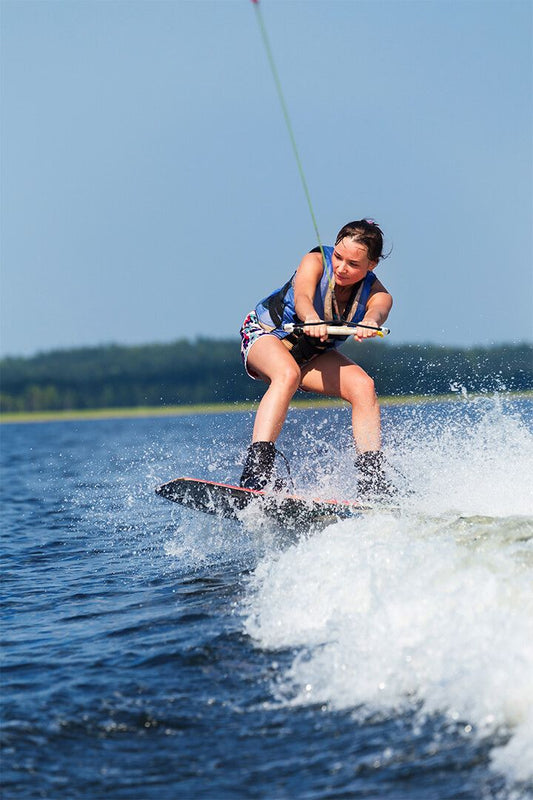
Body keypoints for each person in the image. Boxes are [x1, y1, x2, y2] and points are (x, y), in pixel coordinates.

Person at [239, 218, 396, 499]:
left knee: (363, 386)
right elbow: (302, 297)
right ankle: (256, 472)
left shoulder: (378, 294)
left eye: (353, 264)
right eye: (338, 257)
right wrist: (311, 318)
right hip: (266, 335)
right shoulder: (314, 261)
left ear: (371, 265)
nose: (341, 267)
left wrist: (370, 322)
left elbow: (378, 310)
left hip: (310, 354)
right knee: (287, 374)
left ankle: (372, 482)